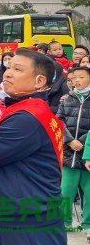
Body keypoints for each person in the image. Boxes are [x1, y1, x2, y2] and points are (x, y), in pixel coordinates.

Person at [0, 49, 66, 244]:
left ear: (39, 81)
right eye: (8, 67)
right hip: (27, 210)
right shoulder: (30, 110)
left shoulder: (27, 118)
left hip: (27, 218)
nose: (7, 73)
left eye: (17, 69)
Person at [58, 66, 90, 234]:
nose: (77, 81)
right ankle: (64, 222)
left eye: (81, 77)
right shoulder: (66, 99)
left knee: (89, 192)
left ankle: (88, 224)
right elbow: (58, 121)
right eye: (74, 78)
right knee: (66, 190)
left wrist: (82, 142)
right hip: (69, 152)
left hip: (87, 153)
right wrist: (70, 141)